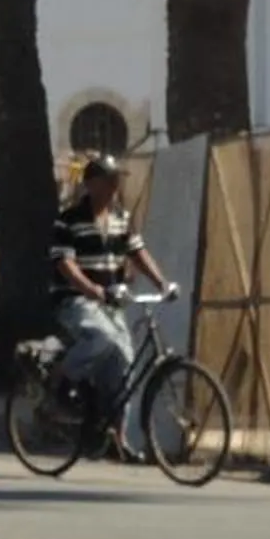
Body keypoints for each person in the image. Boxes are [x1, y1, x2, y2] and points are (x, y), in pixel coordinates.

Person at [52, 153, 170, 439]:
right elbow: (64, 264)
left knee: (123, 367)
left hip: (110, 303)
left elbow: (137, 252)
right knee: (102, 339)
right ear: (91, 184)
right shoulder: (68, 220)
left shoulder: (121, 218)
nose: (114, 187)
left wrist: (162, 284)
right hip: (75, 301)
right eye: (108, 180)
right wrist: (91, 290)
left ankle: (117, 437)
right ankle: (59, 380)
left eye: (116, 181)